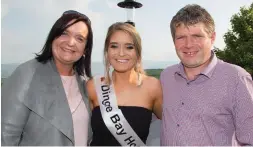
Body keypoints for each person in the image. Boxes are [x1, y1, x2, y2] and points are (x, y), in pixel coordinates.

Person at [160, 4, 253, 146]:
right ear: (174, 41)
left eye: (197, 36)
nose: (188, 44)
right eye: (181, 37)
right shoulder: (166, 76)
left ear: (212, 37)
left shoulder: (237, 79)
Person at [1, 10, 93, 146]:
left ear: (85, 49)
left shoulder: (85, 85)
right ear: (53, 37)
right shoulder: (26, 74)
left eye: (80, 38)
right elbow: (5, 136)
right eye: (64, 33)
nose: (71, 42)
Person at [86, 22, 162, 146]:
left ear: (138, 52)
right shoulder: (93, 87)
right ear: (107, 51)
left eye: (129, 47)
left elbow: (173, 125)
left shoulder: (152, 87)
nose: (121, 53)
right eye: (114, 46)